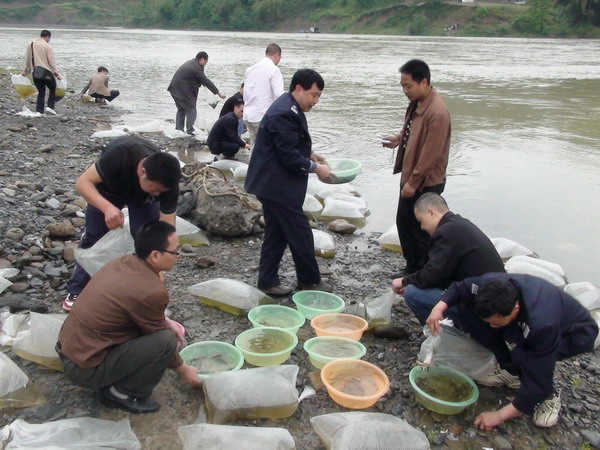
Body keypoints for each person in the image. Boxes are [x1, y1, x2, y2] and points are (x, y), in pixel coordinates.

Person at [57, 221, 201, 414]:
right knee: (166, 341)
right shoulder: (151, 291)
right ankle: (120, 393)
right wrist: (184, 369)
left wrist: (165, 320)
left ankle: (115, 377)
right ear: (155, 255)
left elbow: (134, 308)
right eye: (175, 252)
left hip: (69, 348)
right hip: (85, 369)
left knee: (160, 333)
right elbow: (159, 335)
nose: (178, 256)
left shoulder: (122, 262)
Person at [426, 273, 598, 430]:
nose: (492, 327)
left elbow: (538, 373)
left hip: (574, 334)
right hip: (533, 318)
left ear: (515, 309)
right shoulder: (492, 285)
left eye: (497, 323)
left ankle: (549, 396)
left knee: (526, 358)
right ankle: (511, 371)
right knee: (468, 309)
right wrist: (438, 308)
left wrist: (499, 415)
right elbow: (461, 286)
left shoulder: (542, 325)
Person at [63, 135, 181, 313]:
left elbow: (167, 229)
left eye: (161, 191)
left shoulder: (167, 184)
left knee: (146, 238)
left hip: (142, 199)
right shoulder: (120, 155)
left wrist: (161, 262)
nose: (158, 193)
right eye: (155, 189)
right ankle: (77, 290)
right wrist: (107, 208)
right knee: (94, 237)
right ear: (142, 172)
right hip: (110, 189)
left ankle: (140, 288)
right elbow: (82, 183)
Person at [245, 69, 332, 296]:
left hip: (272, 182)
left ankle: (267, 281)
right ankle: (309, 280)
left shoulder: (290, 106)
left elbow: (289, 144)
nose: (315, 101)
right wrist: (316, 169)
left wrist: (310, 154)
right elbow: (289, 157)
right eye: (313, 95)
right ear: (298, 89)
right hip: (275, 185)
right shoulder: (284, 112)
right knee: (300, 232)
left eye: (319, 96)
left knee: (277, 232)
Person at [392, 193, 504, 327]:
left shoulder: (444, 233)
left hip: (482, 308)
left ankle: (445, 335)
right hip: (500, 300)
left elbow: (431, 274)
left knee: (412, 293)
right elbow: (441, 273)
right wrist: (416, 281)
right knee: (417, 286)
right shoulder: (459, 225)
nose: (422, 227)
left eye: (421, 221)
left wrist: (404, 281)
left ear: (431, 213)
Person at [382, 59, 451, 276]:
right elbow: (412, 129)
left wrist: (413, 182)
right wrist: (399, 139)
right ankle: (412, 267)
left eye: (408, 85)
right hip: (412, 177)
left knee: (421, 229)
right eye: (402, 85)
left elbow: (431, 154)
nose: (404, 90)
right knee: (404, 223)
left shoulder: (437, 112)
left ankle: (425, 273)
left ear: (424, 82)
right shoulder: (417, 103)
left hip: (426, 183)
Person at [167, 51, 225, 135]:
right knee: (191, 109)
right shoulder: (196, 68)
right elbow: (205, 80)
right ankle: (190, 130)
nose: (205, 64)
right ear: (202, 59)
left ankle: (179, 130)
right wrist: (218, 93)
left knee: (181, 109)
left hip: (174, 89)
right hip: (182, 90)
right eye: (206, 62)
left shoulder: (191, 63)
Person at [242, 43, 284, 145]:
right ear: (277, 55)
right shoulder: (274, 70)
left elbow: (245, 92)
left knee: (255, 146)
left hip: (248, 115)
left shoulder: (250, 69)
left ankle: (252, 161)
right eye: (280, 57)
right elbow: (279, 95)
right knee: (268, 147)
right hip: (263, 116)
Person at [22, 29, 62, 115]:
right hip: (46, 72)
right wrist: (57, 73)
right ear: (48, 36)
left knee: (41, 91)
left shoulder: (31, 44)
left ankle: (39, 111)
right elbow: (52, 62)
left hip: (35, 72)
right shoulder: (47, 46)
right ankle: (50, 107)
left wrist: (26, 71)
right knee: (53, 88)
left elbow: (28, 58)